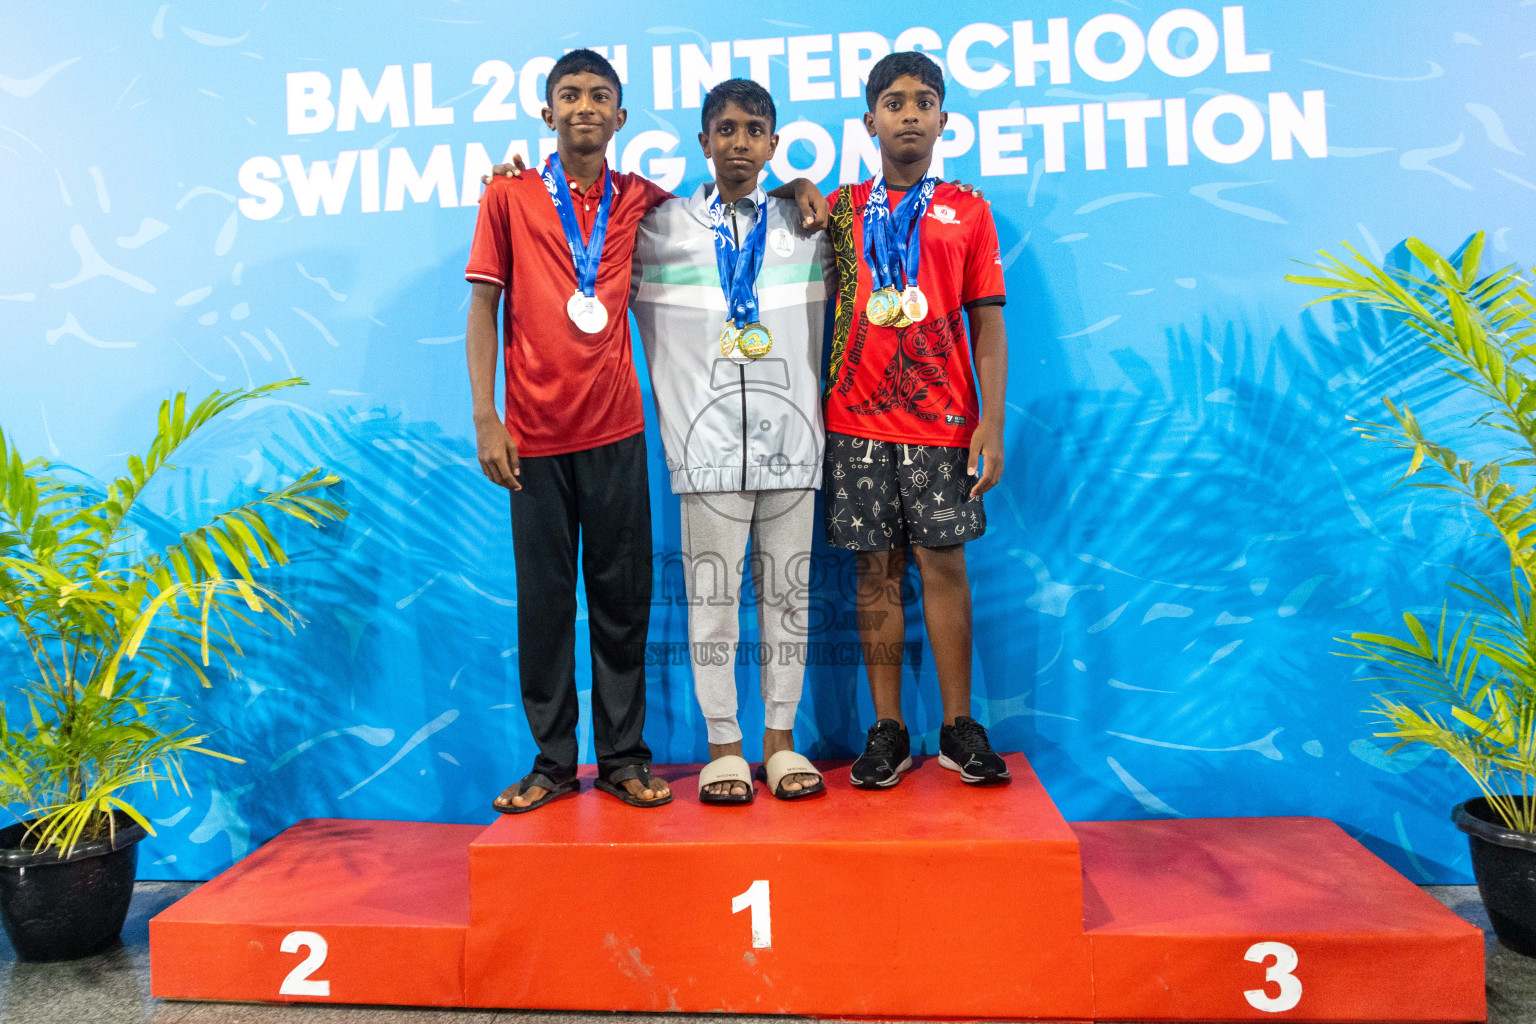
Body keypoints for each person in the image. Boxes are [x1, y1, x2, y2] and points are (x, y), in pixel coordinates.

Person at [465, 50, 828, 813]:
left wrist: (797, 186)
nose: (585, 107)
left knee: (623, 603)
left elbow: (742, 204)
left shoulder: (647, 204)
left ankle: (626, 758)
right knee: (545, 606)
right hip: (532, 436)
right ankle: (553, 764)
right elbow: (483, 308)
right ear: (547, 111)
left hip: (621, 432)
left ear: (621, 117)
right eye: (570, 95)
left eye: (600, 96)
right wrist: (486, 416)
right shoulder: (513, 196)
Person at [630, 79, 831, 804]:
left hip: (794, 443)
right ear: (704, 142)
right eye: (725, 130)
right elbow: (573, 247)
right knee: (711, 601)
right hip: (705, 449)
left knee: (788, 600)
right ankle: (724, 743)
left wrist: (807, 188)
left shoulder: (811, 228)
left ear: (773, 145)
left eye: (754, 130)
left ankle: (781, 741)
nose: (739, 143)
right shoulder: (658, 231)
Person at [822, 51, 1011, 789]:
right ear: (869, 120)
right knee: (873, 574)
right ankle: (888, 729)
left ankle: (959, 726)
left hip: (944, 422)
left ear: (943, 120)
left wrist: (989, 423)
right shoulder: (838, 211)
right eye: (894, 102)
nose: (909, 113)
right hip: (856, 420)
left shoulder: (968, 210)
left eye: (923, 101)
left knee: (943, 567)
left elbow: (988, 324)